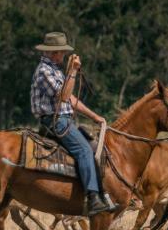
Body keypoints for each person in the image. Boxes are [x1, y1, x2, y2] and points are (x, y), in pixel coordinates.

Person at [30, 31, 117, 216]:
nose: (64, 55)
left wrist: (95, 116)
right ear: (54, 52)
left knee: (94, 147)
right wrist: (73, 72)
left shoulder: (55, 70)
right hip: (54, 121)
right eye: (62, 52)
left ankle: (101, 192)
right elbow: (64, 96)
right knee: (84, 150)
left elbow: (71, 99)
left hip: (63, 120)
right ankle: (92, 198)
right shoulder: (44, 71)